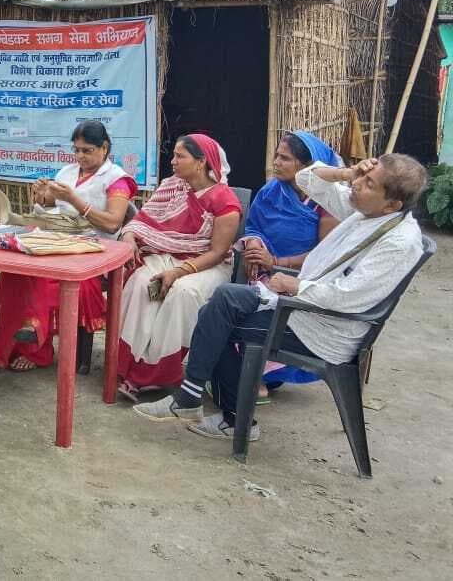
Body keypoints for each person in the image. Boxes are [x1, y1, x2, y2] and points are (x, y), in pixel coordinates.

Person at [134, 155, 428, 442]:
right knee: (221, 302)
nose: (358, 185)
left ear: (393, 204)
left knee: (217, 317)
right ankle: (201, 400)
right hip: (303, 308)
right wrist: (348, 174)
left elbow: (349, 297)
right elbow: (306, 178)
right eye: (362, 177)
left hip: (323, 327)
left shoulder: (399, 242)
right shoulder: (368, 211)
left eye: (369, 183)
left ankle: (224, 414)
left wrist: (296, 285)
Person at [0, 121, 136, 373]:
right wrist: (42, 197)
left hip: (94, 251)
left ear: (104, 148)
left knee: (45, 276)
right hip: (58, 241)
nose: (80, 156)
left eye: (87, 150)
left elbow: (112, 224)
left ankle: (36, 334)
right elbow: (51, 208)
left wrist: (74, 200)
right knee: (15, 271)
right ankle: (24, 341)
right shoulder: (67, 172)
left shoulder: (117, 180)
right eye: (76, 150)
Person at [115, 134, 241, 400]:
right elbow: (141, 222)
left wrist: (177, 273)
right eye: (173, 155)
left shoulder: (225, 201)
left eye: (179, 156)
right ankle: (127, 365)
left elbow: (218, 253)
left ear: (200, 162)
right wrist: (128, 237)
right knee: (140, 282)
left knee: (181, 293)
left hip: (206, 265)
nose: (172, 161)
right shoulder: (171, 187)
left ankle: (157, 374)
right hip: (167, 254)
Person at [241, 131, 341, 391]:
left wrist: (275, 260)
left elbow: (325, 255)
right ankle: (245, 373)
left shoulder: (327, 202)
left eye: (285, 158)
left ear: (307, 166)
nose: (276, 162)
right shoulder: (271, 191)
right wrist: (253, 244)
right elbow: (254, 226)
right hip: (266, 272)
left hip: (305, 280)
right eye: (276, 155)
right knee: (235, 302)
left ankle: (263, 377)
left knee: (257, 309)